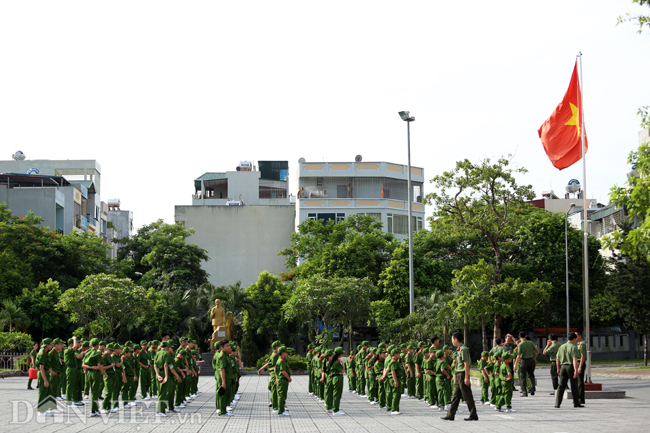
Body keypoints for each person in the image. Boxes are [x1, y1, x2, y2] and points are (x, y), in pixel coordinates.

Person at [440, 332, 478, 421]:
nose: (452, 341)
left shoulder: (463, 349)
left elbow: (466, 363)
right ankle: (450, 414)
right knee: (455, 396)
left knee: (467, 395)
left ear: (456, 339)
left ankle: (473, 415)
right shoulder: (458, 349)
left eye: (452, 339)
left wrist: (466, 377)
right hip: (458, 374)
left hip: (462, 374)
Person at [554, 332, 582, 408]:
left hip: (562, 366)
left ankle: (557, 403)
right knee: (574, 385)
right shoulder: (573, 347)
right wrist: (576, 370)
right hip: (570, 367)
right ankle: (576, 403)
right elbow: (574, 359)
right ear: (574, 339)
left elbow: (557, 359)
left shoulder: (561, 347)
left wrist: (558, 368)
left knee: (561, 385)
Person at [81, 338, 103, 417]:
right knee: (95, 392)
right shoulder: (97, 354)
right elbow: (99, 366)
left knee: (93, 392)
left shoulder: (87, 352)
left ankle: (96, 409)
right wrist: (104, 374)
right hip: (95, 374)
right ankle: (93, 411)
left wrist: (90, 367)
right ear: (97, 345)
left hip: (89, 373)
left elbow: (83, 365)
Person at [514, 331, 538, 397]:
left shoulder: (520, 345)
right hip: (531, 360)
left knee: (523, 377)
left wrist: (515, 364)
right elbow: (536, 350)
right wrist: (534, 357)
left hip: (523, 361)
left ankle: (524, 392)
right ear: (525, 336)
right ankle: (532, 388)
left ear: (519, 337)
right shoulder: (531, 343)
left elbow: (518, 355)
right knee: (531, 375)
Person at [214, 339, 233, 416]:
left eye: (229, 346)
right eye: (227, 346)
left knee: (226, 394)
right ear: (222, 348)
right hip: (223, 378)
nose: (229, 347)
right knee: (223, 394)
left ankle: (224, 409)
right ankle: (222, 411)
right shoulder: (222, 356)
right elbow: (222, 369)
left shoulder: (226, 355)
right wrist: (223, 382)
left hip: (227, 377)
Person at [276, 346, 292, 416]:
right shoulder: (281, 360)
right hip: (282, 380)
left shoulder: (282, 360)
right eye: (286, 353)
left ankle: (281, 409)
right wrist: (289, 378)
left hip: (282, 380)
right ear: (282, 353)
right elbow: (283, 371)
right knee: (281, 396)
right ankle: (281, 411)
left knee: (282, 395)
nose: (287, 354)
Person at [576, 330, 587, 405]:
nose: (575, 337)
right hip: (577, 362)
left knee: (580, 381)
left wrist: (580, 367)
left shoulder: (582, 344)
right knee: (577, 381)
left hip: (580, 363)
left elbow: (583, 356)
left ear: (580, 336)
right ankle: (578, 397)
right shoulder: (577, 344)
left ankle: (581, 398)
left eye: (576, 335)